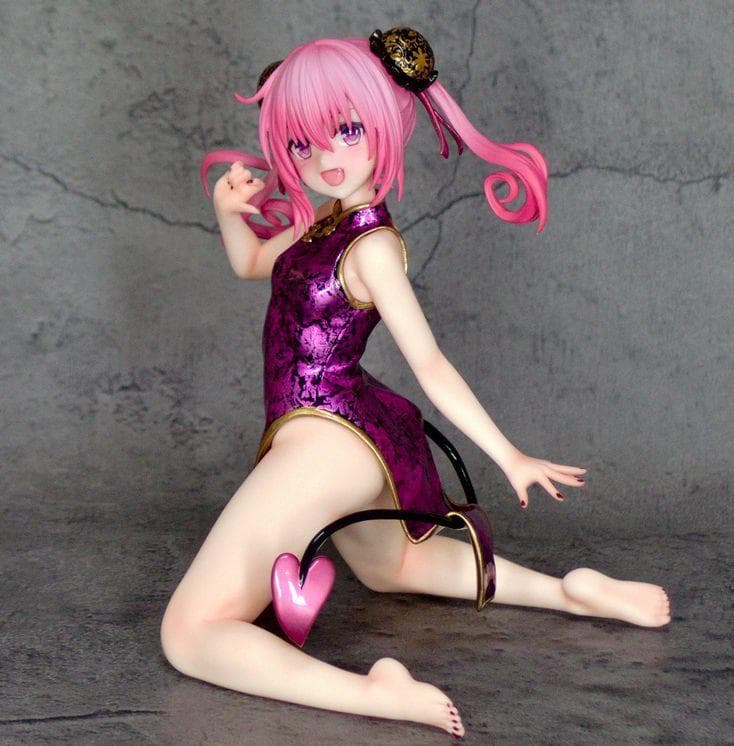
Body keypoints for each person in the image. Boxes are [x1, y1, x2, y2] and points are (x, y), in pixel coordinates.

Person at [160, 30, 670, 738]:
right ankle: (572, 593)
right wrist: (226, 215)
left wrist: (508, 455)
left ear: (387, 121)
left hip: (325, 442)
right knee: (396, 566)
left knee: (190, 631)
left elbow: (430, 363)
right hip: (355, 426)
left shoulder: (370, 247)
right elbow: (253, 263)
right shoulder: (325, 224)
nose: (326, 158)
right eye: (303, 144)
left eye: (347, 131)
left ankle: (377, 694)